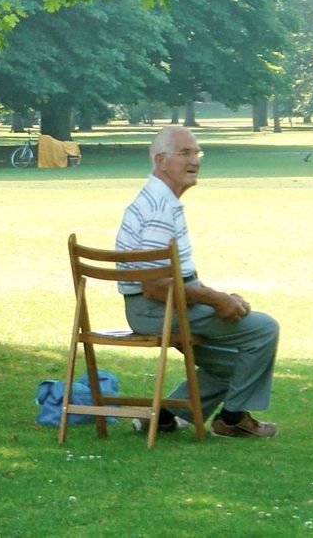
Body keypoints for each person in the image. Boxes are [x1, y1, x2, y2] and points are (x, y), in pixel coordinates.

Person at [116, 125, 279, 438]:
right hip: (155, 310)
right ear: (161, 161)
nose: (196, 160)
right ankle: (231, 420)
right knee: (264, 329)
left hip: (165, 304)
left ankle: (163, 416)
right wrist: (216, 300)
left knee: (233, 363)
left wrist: (218, 296)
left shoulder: (160, 199)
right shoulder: (158, 209)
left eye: (197, 153)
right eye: (186, 153)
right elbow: (153, 287)